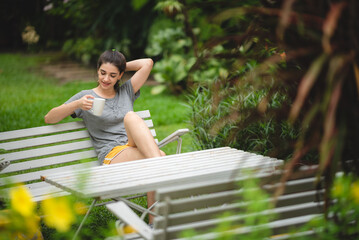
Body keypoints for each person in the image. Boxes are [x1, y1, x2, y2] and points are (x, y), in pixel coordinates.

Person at [44, 49, 164, 223]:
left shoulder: (126, 92)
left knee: (131, 117)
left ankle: (155, 223)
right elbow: (49, 118)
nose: (106, 79)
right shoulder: (86, 97)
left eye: (113, 74)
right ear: (97, 71)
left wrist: (120, 63)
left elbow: (148, 63)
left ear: (120, 75)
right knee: (159, 157)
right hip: (111, 155)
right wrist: (77, 104)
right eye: (102, 73)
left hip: (130, 147)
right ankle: (156, 221)